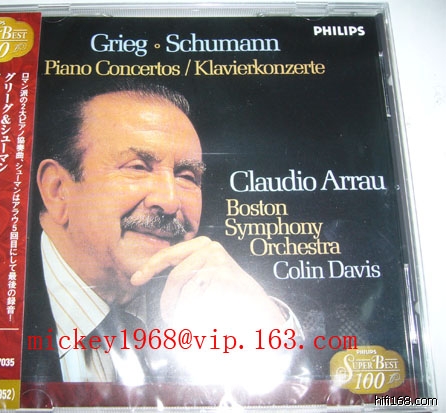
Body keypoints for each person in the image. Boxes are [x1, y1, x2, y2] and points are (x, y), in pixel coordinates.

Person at [22, 81, 303, 389]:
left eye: (187, 176)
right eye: (138, 167)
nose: (170, 202)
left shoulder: (209, 303)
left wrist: (270, 335)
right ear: (58, 190)